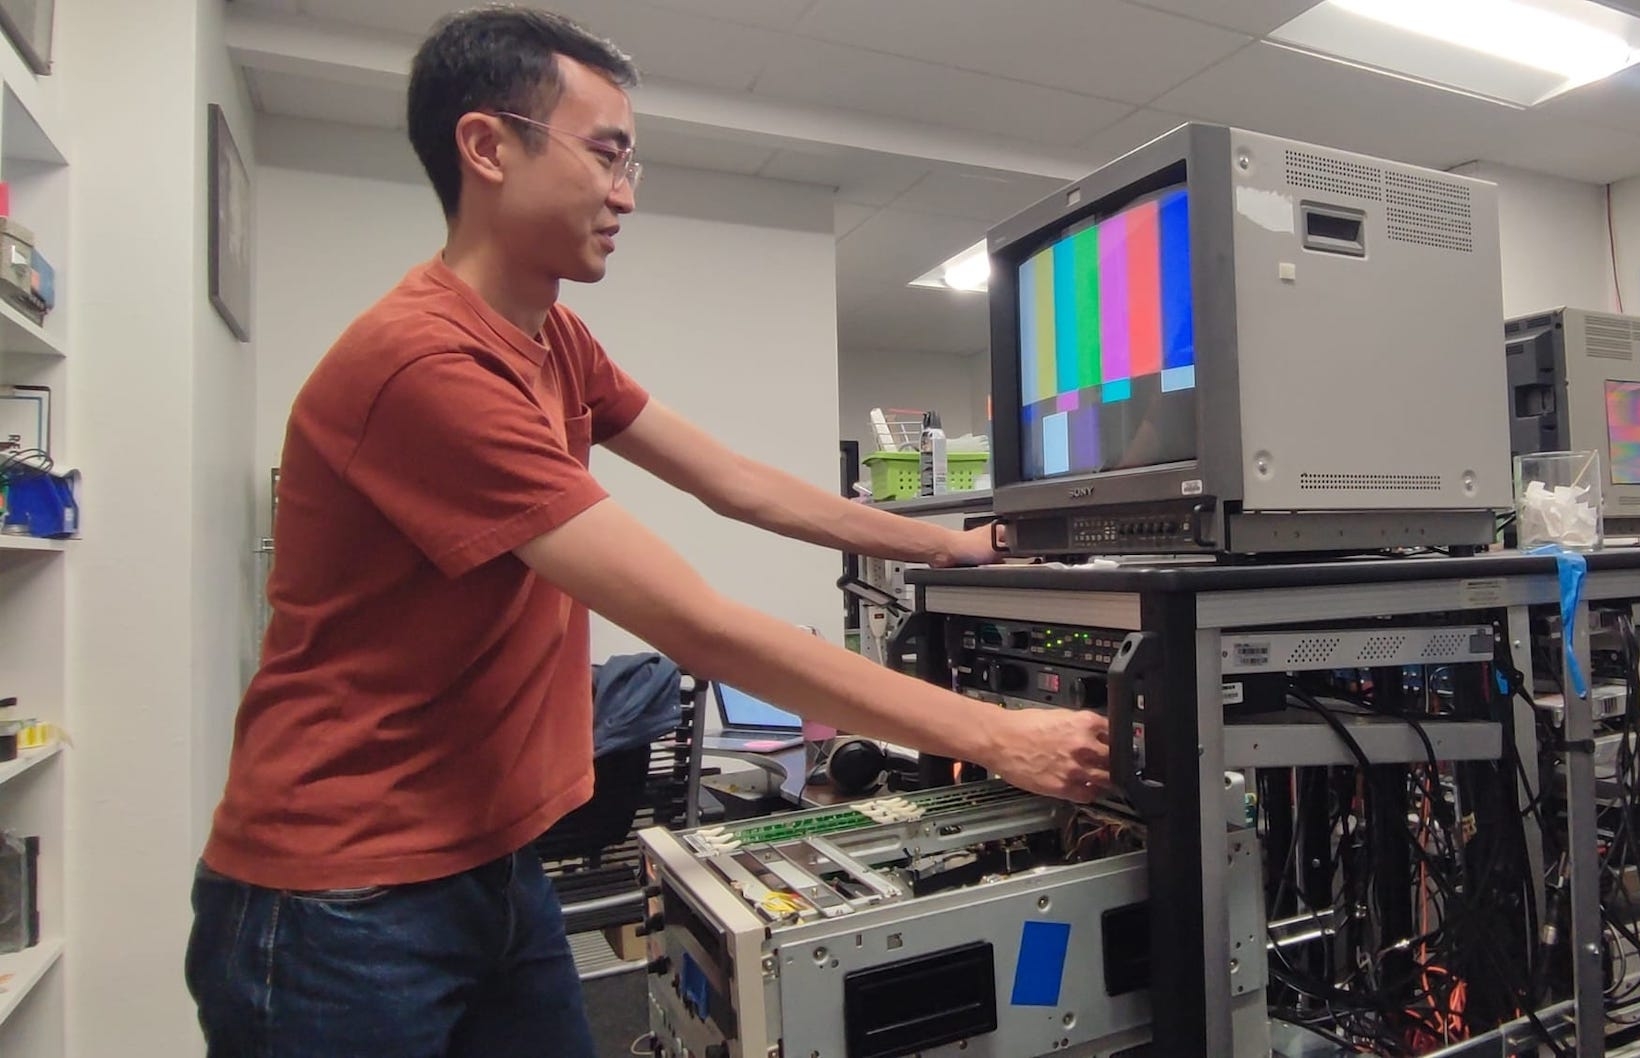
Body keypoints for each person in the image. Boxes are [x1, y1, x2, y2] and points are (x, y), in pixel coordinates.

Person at [184, 7, 1111, 1056]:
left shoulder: (555, 338)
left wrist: (949, 545)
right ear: (487, 146)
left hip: (491, 862)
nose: (626, 190)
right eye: (606, 153)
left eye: (635, 161)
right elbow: (698, 625)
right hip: (338, 899)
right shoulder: (425, 366)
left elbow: (736, 483)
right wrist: (1000, 735)